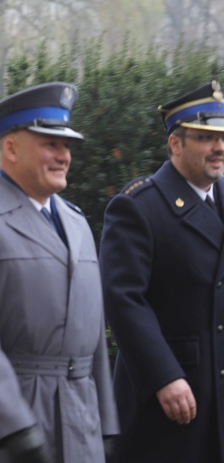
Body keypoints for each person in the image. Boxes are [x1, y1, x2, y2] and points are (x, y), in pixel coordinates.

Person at [0, 82, 119, 462]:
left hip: (78, 418)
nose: (63, 156)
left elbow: (92, 334)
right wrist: (13, 425)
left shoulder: (76, 221)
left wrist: (106, 423)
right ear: (11, 148)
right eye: (50, 144)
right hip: (5, 425)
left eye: (66, 146)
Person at [99, 80, 224, 462]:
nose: (219, 147)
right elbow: (123, 300)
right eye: (205, 137)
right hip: (169, 399)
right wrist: (163, 375)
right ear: (175, 144)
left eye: (222, 137)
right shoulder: (138, 207)